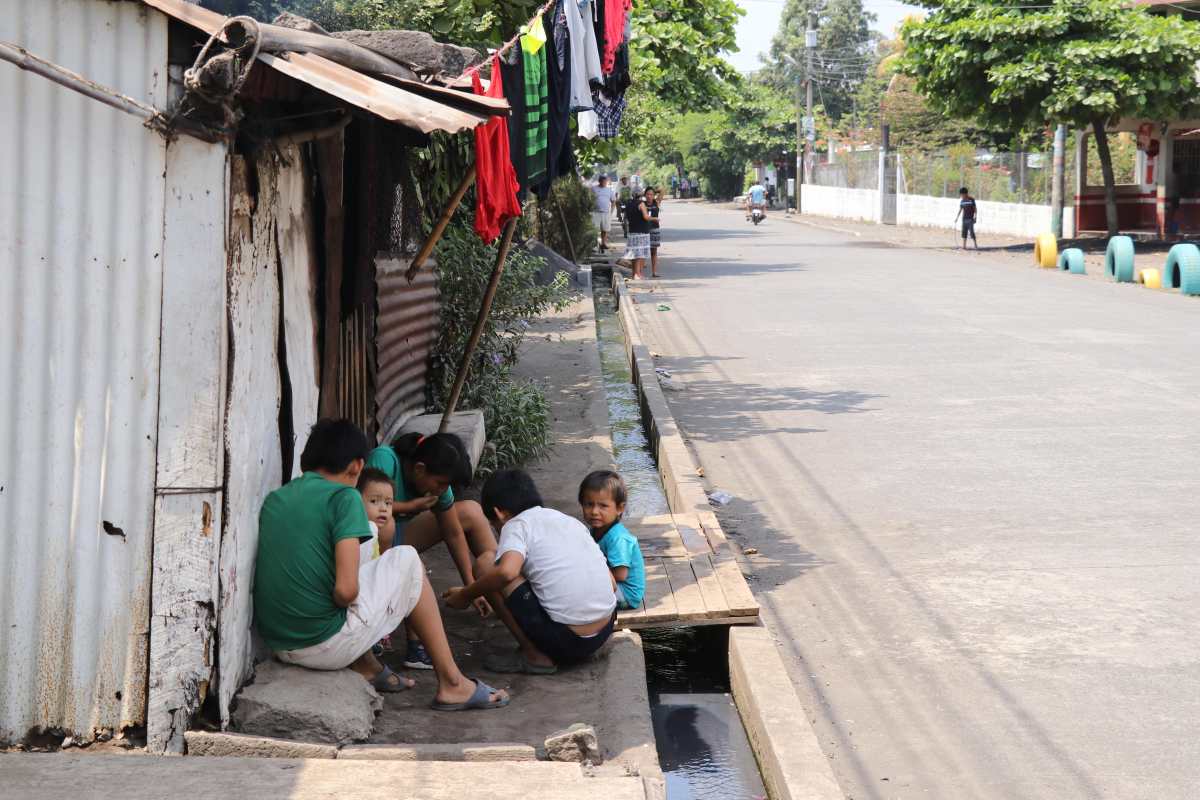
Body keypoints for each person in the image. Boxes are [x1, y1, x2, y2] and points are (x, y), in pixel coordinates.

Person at [253, 419, 509, 711]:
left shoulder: (277, 498)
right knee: (408, 559)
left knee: (374, 554)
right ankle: (453, 683)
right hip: (320, 646)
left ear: (305, 459)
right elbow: (346, 592)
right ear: (357, 467)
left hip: (279, 643)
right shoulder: (345, 497)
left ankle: (367, 666)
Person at [443, 470, 617, 674]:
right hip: (604, 630)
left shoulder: (516, 525)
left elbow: (507, 572)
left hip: (569, 642)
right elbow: (612, 584)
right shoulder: (569, 521)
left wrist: (466, 594)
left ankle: (535, 656)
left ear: (499, 513)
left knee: (486, 563)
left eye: (494, 524)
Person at [365, 433, 496, 619]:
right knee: (389, 526)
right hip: (372, 543)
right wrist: (411, 506)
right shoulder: (385, 459)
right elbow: (363, 506)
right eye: (442, 483)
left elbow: (453, 532)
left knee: (471, 512)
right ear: (419, 469)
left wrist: (471, 587)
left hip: (402, 535)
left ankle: (500, 586)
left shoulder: (437, 480)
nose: (443, 489)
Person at [357, 467, 434, 669]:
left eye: (388, 503)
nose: (383, 508)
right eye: (374, 501)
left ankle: (407, 646)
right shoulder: (359, 535)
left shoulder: (378, 530)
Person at [579, 471, 644, 610]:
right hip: (612, 584)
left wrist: (588, 574)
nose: (595, 511)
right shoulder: (596, 530)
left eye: (603, 506)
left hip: (626, 593)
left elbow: (620, 575)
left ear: (620, 508)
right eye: (589, 504)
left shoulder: (618, 538)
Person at [622, 188, 654, 280]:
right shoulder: (641, 204)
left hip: (632, 231)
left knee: (633, 253)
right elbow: (646, 217)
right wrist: (654, 218)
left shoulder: (628, 204)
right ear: (641, 195)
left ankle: (634, 274)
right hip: (641, 231)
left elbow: (626, 217)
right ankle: (638, 274)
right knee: (639, 254)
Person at [591, 175, 616, 252]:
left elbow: (613, 201)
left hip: (606, 212)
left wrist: (611, 211)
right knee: (595, 229)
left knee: (604, 229)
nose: (604, 182)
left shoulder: (609, 190)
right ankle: (594, 245)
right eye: (603, 181)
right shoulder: (593, 189)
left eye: (606, 181)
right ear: (599, 181)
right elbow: (590, 199)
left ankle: (603, 243)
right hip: (596, 212)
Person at [648, 188, 662, 279]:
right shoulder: (642, 203)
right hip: (644, 229)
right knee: (643, 252)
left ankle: (654, 271)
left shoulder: (656, 202)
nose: (649, 196)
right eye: (647, 194)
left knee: (654, 251)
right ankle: (639, 272)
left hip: (655, 229)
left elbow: (662, 191)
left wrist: (653, 189)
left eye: (651, 194)